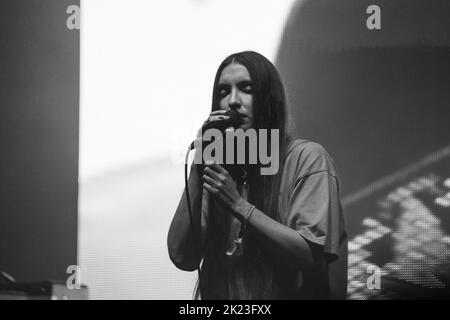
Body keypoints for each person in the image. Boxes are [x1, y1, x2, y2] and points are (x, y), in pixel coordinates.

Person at [167, 51, 347, 299]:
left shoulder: (307, 158)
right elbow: (182, 256)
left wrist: (238, 204)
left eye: (245, 88)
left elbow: (311, 256)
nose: (232, 100)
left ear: (268, 98)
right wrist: (199, 169)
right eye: (223, 92)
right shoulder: (217, 171)